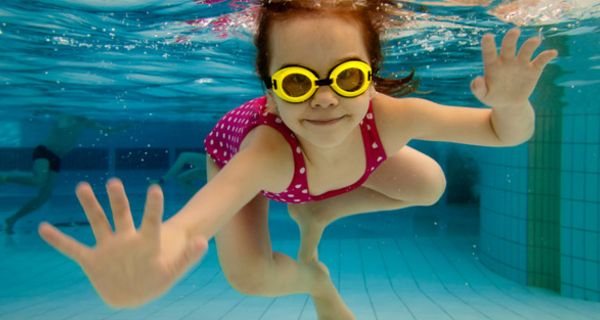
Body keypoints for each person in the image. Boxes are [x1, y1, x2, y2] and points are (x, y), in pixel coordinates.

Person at [36, 0, 558, 318]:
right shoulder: (267, 151)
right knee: (250, 278)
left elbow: (500, 132)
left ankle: (320, 209)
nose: (325, 98)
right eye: (297, 82)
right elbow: (191, 223)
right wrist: (150, 265)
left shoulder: (390, 116)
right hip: (257, 164)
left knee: (430, 184)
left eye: (348, 77)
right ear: (269, 91)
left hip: (324, 177)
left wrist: (513, 104)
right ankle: (316, 281)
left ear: (371, 76)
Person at [0, 114, 127, 234]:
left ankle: (12, 219)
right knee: (39, 181)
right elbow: (57, 117)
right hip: (44, 151)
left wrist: (125, 126)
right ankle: (5, 177)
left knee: (44, 197)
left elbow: (107, 130)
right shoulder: (66, 116)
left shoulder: (85, 120)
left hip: (56, 158)